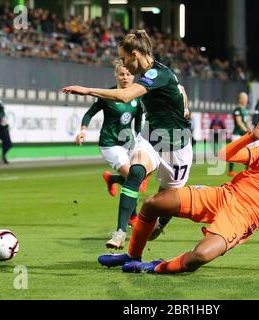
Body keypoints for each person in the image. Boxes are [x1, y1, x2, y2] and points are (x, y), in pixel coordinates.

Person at [97, 107, 259, 275]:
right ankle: (132, 256)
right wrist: (250, 137)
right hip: (222, 195)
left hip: (243, 218)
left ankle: (157, 266)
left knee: (198, 257)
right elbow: (223, 157)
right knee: (153, 203)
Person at [62, 29, 193, 249]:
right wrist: (185, 106)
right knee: (135, 172)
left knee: (161, 213)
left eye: (124, 58)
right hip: (151, 136)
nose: (123, 64)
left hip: (177, 145)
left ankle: (159, 224)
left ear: (135, 54)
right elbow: (180, 89)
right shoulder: (150, 76)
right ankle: (120, 232)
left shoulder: (157, 74)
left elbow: (125, 95)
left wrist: (86, 90)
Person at [75, 62, 148, 248]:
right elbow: (90, 113)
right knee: (134, 178)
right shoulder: (108, 96)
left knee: (135, 179)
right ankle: (132, 217)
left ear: (134, 76)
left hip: (129, 143)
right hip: (110, 144)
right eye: (122, 74)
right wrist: (83, 130)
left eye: (129, 74)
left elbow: (138, 121)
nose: (125, 77)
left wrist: (140, 140)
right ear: (116, 75)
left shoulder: (136, 97)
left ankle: (113, 179)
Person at [228, 92, 250, 176]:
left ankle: (247, 171)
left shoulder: (245, 110)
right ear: (240, 99)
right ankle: (230, 171)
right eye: (243, 98)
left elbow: (246, 122)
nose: (245, 100)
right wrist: (246, 130)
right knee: (233, 152)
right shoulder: (237, 110)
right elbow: (239, 122)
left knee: (249, 152)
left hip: (243, 134)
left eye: (246, 98)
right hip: (237, 134)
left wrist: (250, 130)